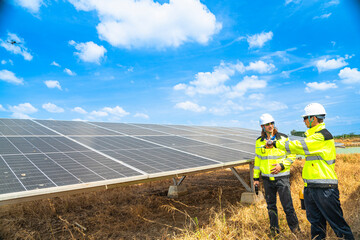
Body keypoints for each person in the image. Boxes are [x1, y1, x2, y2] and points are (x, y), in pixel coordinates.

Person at [267, 103, 354, 240]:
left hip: (325, 188)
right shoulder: (313, 136)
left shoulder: (322, 136)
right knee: (316, 226)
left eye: (305, 118)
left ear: (313, 118)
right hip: (311, 187)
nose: (304, 121)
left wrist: (275, 143)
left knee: (338, 225)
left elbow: (299, 146)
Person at [254, 113, 300, 236]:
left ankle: (296, 231)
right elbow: (258, 160)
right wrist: (255, 178)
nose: (270, 126)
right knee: (271, 207)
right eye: (267, 124)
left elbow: (292, 155)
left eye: (272, 123)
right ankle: (274, 232)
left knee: (288, 206)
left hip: (282, 178)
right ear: (262, 126)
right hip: (267, 179)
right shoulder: (259, 142)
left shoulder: (283, 138)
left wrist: (281, 166)